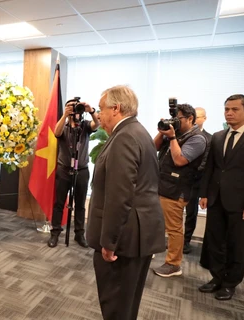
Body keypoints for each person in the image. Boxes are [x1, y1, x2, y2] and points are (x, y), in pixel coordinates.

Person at [86, 85, 165, 320]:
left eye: (101, 109)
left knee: (116, 305)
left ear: (116, 108)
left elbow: (120, 196)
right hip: (136, 233)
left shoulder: (125, 137)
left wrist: (109, 242)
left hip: (124, 238)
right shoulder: (138, 132)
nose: (99, 115)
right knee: (127, 302)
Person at [198, 94, 244, 301]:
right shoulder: (218, 136)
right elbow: (211, 168)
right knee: (215, 241)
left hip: (239, 202)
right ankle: (216, 277)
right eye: (227, 109)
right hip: (216, 198)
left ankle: (229, 283)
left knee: (237, 244)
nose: (229, 113)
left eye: (234, 109)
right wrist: (205, 194)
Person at [153, 103, 207, 278]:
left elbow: (180, 160)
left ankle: (174, 264)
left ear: (190, 119)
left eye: (179, 119)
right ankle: (154, 251)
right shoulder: (174, 133)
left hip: (177, 190)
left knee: (174, 229)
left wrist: (173, 137)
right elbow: (154, 146)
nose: (175, 122)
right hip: (162, 185)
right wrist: (163, 131)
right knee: (157, 223)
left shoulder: (197, 139)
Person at [47, 98, 99, 248]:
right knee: (59, 203)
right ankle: (55, 233)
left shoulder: (85, 126)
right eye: (71, 107)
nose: (75, 110)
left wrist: (92, 111)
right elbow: (56, 133)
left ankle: (79, 234)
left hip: (81, 170)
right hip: (64, 169)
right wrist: (65, 115)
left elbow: (97, 124)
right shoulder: (63, 126)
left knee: (80, 204)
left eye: (76, 108)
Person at [183, 107, 212, 254]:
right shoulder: (184, 134)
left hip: (196, 181)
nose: (196, 119)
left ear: (205, 118)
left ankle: (186, 241)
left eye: (199, 117)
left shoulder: (210, 138)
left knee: (191, 213)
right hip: (181, 180)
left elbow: (206, 162)